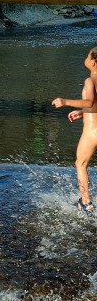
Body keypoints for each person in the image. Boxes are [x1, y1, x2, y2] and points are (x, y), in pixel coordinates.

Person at [52, 47, 97, 212]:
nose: (85, 58)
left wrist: (65, 102)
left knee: (81, 163)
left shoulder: (89, 80)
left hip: (92, 132)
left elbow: (90, 102)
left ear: (93, 62)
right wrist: (82, 112)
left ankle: (86, 202)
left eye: (87, 55)